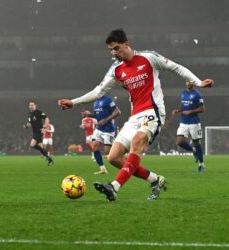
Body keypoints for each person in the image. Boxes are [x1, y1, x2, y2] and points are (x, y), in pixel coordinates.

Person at [58, 29, 214, 202]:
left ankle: (114, 187)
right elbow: (99, 91)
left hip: (153, 111)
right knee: (113, 157)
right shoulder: (116, 70)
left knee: (137, 141)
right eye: (111, 50)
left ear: (127, 44)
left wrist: (199, 82)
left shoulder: (149, 58)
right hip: (135, 116)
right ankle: (155, 179)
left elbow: (175, 67)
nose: (114, 53)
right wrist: (74, 102)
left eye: (117, 48)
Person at [82, 95, 121, 174]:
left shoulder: (107, 99)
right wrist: (88, 115)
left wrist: (106, 120)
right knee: (94, 147)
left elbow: (118, 112)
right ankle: (102, 169)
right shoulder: (95, 102)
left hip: (108, 130)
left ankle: (124, 157)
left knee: (108, 153)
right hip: (99, 129)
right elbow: (97, 115)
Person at [172, 81, 205, 172]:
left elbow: (202, 109)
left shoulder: (197, 94)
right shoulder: (183, 93)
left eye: (190, 81)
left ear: (193, 83)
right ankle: (193, 151)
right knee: (179, 142)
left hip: (194, 122)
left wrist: (191, 111)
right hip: (183, 122)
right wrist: (178, 110)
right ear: (185, 83)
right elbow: (183, 104)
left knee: (196, 143)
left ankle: (201, 164)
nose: (188, 83)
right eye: (187, 81)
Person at [23, 100, 54, 166]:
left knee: (32, 145)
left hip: (39, 131)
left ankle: (48, 155)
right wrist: (26, 126)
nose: (31, 106)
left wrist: (45, 127)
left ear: (35, 106)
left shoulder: (39, 112)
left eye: (32, 105)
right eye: (30, 105)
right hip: (34, 132)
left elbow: (46, 118)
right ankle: (50, 159)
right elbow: (29, 123)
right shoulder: (29, 114)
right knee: (41, 148)